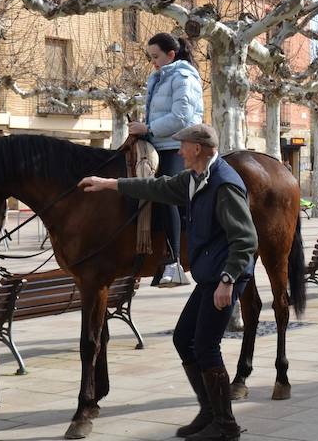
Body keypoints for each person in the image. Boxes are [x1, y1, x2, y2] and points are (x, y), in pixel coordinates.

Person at [79, 124, 255, 441]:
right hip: (210, 275)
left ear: (198, 149)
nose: (179, 152)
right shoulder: (194, 179)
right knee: (183, 338)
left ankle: (226, 425)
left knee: (205, 345)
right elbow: (155, 188)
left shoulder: (224, 184)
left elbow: (245, 240)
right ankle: (209, 410)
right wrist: (108, 184)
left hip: (226, 276)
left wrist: (227, 281)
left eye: (183, 146)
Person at [128, 32, 204, 286]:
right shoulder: (157, 77)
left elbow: (182, 118)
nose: (153, 62)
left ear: (171, 55)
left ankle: (174, 261)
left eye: (156, 56)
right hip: (157, 143)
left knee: (166, 192)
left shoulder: (183, 76)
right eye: (151, 57)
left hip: (178, 145)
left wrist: (147, 129)